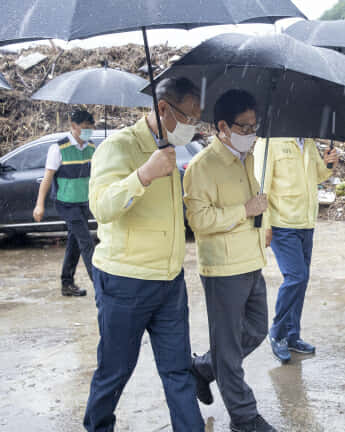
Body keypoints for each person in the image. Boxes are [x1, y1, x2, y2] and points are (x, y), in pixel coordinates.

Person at [83, 77, 204, 432]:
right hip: (125, 283)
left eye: (198, 116)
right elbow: (101, 207)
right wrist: (143, 175)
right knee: (115, 371)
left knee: (178, 370)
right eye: (189, 115)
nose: (193, 124)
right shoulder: (118, 147)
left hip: (169, 283)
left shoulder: (170, 148)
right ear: (163, 108)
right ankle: (98, 427)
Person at [185, 89, 276, 432]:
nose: (251, 132)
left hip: (251, 261)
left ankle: (205, 367)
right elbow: (200, 221)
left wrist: (260, 220)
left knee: (256, 330)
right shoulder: (201, 167)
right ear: (222, 126)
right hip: (223, 269)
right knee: (228, 345)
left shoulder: (249, 158)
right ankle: (244, 417)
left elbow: (251, 206)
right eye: (244, 126)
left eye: (255, 125)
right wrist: (245, 210)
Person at [253, 137, 337, 363]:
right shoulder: (269, 142)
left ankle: (292, 336)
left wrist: (328, 164)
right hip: (282, 223)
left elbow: (317, 176)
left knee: (302, 279)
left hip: (306, 222)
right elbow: (260, 184)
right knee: (296, 277)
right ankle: (277, 333)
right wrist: (265, 223)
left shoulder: (307, 142)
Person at [33, 109, 96, 297]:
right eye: (85, 128)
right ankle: (102, 285)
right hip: (66, 203)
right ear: (73, 126)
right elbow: (47, 178)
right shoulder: (58, 148)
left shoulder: (92, 147)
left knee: (75, 242)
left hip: (84, 202)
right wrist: (39, 204)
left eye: (90, 128)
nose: (88, 131)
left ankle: (67, 283)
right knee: (86, 241)